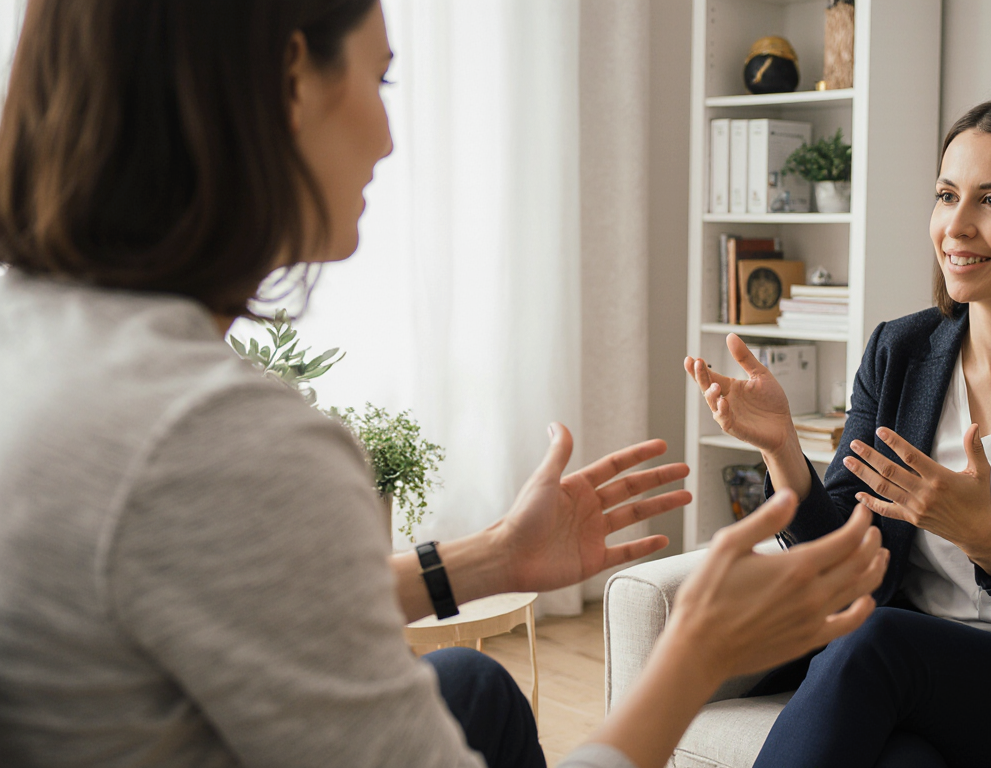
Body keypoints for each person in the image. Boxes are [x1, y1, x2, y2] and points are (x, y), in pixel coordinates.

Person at [0, 2, 889, 768]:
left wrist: (491, 558)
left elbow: (213, 585)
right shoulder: (210, 434)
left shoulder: (35, 333)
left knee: (470, 684)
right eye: (381, 81)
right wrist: (695, 656)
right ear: (287, 79)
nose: (389, 139)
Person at [687, 97, 991, 767]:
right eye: (947, 195)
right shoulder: (900, 351)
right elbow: (843, 565)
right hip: (910, 678)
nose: (957, 225)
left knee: (877, 643)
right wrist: (781, 448)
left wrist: (988, 540)